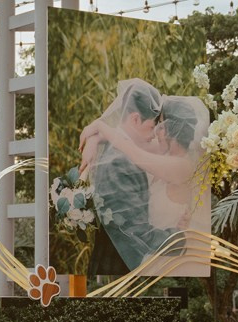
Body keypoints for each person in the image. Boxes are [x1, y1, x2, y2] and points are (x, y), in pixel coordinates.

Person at [79, 78, 210, 272]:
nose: (155, 132)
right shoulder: (162, 151)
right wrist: (94, 139)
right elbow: (130, 144)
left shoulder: (182, 166)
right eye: (153, 126)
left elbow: (135, 152)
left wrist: (99, 127)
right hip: (151, 252)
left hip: (166, 252)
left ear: (170, 129)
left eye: (159, 126)